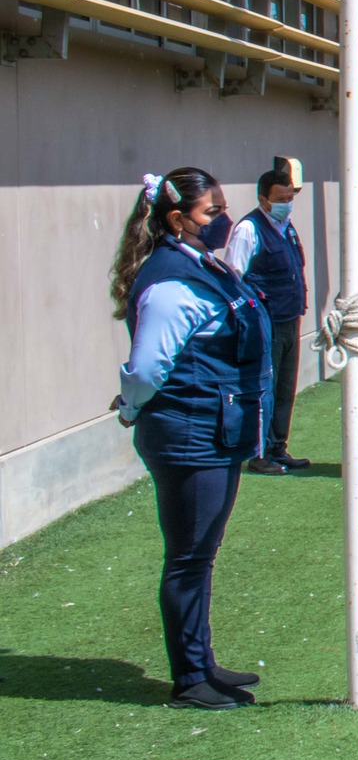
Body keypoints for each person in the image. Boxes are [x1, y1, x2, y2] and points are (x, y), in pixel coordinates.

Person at [112, 168, 272, 709]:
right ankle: (190, 679)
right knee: (187, 556)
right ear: (178, 220)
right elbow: (147, 368)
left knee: (201, 552)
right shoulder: (169, 283)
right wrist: (131, 408)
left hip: (212, 430)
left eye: (223, 206)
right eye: (211, 211)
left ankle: (201, 660)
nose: (223, 218)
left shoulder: (199, 265)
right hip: (188, 434)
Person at [223, 157, 308, 475]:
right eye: (281, 199)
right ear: (263, 199)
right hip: (265, 322)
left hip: (290, 318)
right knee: (265, 388)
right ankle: (259, 454)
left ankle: (278, 447)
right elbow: (233, 278)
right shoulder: (248, 229)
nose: (287, 204)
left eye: (290, 199)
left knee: (286, 387)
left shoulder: (287, 229)